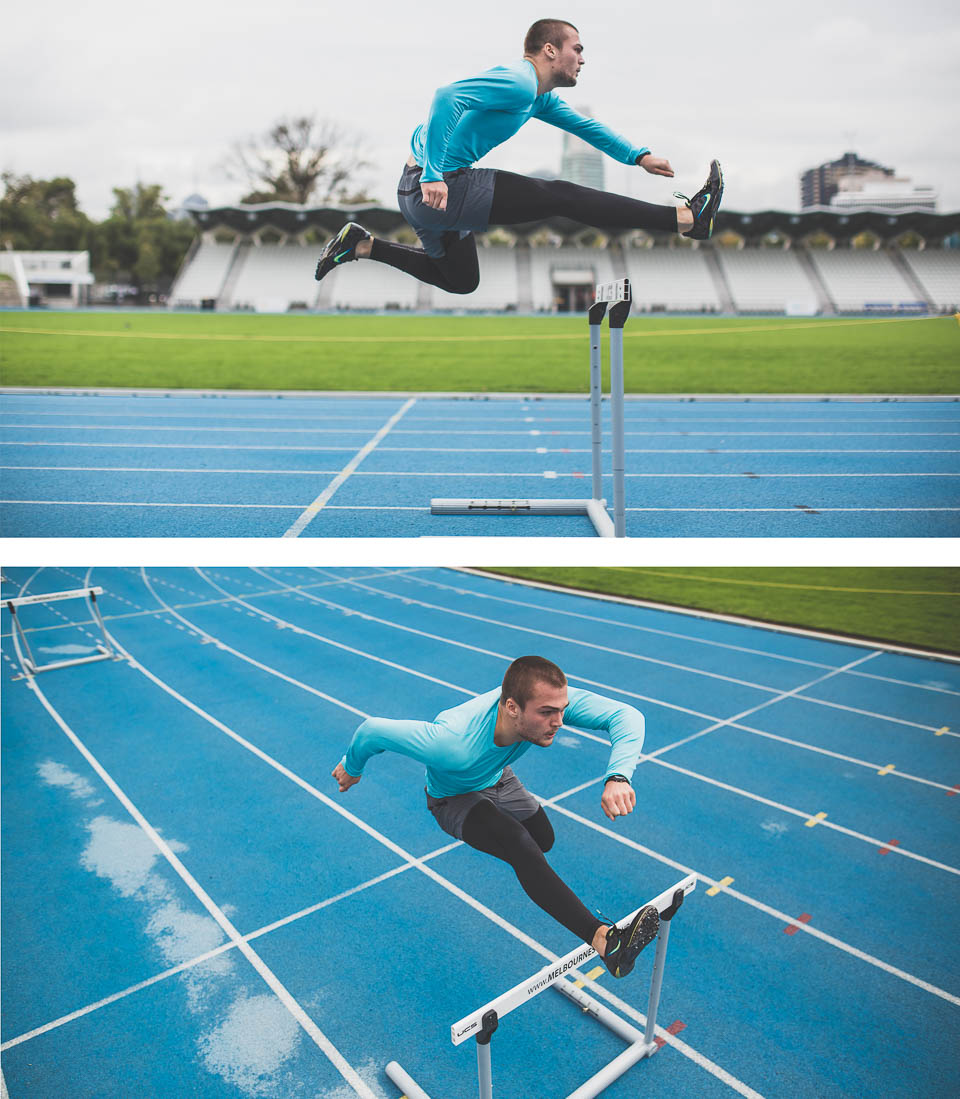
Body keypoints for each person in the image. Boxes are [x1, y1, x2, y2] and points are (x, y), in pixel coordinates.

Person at [315, 18, 723, 298]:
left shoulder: (538, 98)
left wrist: (639, 156)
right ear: (550, 50)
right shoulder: (519, 81)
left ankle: (363, 247)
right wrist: (435, 173)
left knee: (461, 281)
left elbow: (586, 127)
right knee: (560, 195)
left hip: (420, 194)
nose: (583, 58)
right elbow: (447, 97)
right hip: (438, 186)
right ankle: (686, 219)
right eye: (576, 49)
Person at [332, 655, 659, 977]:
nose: (559, 722)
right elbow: (371, 730)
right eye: (547, 714)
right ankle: (606, 942)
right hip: (452, 797)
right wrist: (352, 767)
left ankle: (520, 850)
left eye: (561, 710)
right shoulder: (451, 743)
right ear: (512, 707)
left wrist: (618, 776)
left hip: (497, 776)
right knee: (519, 844)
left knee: (543, 839)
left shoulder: (547, 703)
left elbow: (626, 715)